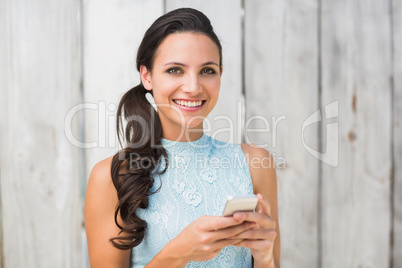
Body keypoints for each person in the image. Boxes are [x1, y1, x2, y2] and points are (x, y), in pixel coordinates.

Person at [84, 7, 280, 268]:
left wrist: (265, 257)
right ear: (147, 76)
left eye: (207, 70)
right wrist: (180, 251)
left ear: (220, 73)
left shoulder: (255, 164)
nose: (193, 87)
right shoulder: (111, 176)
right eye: (175, 70)